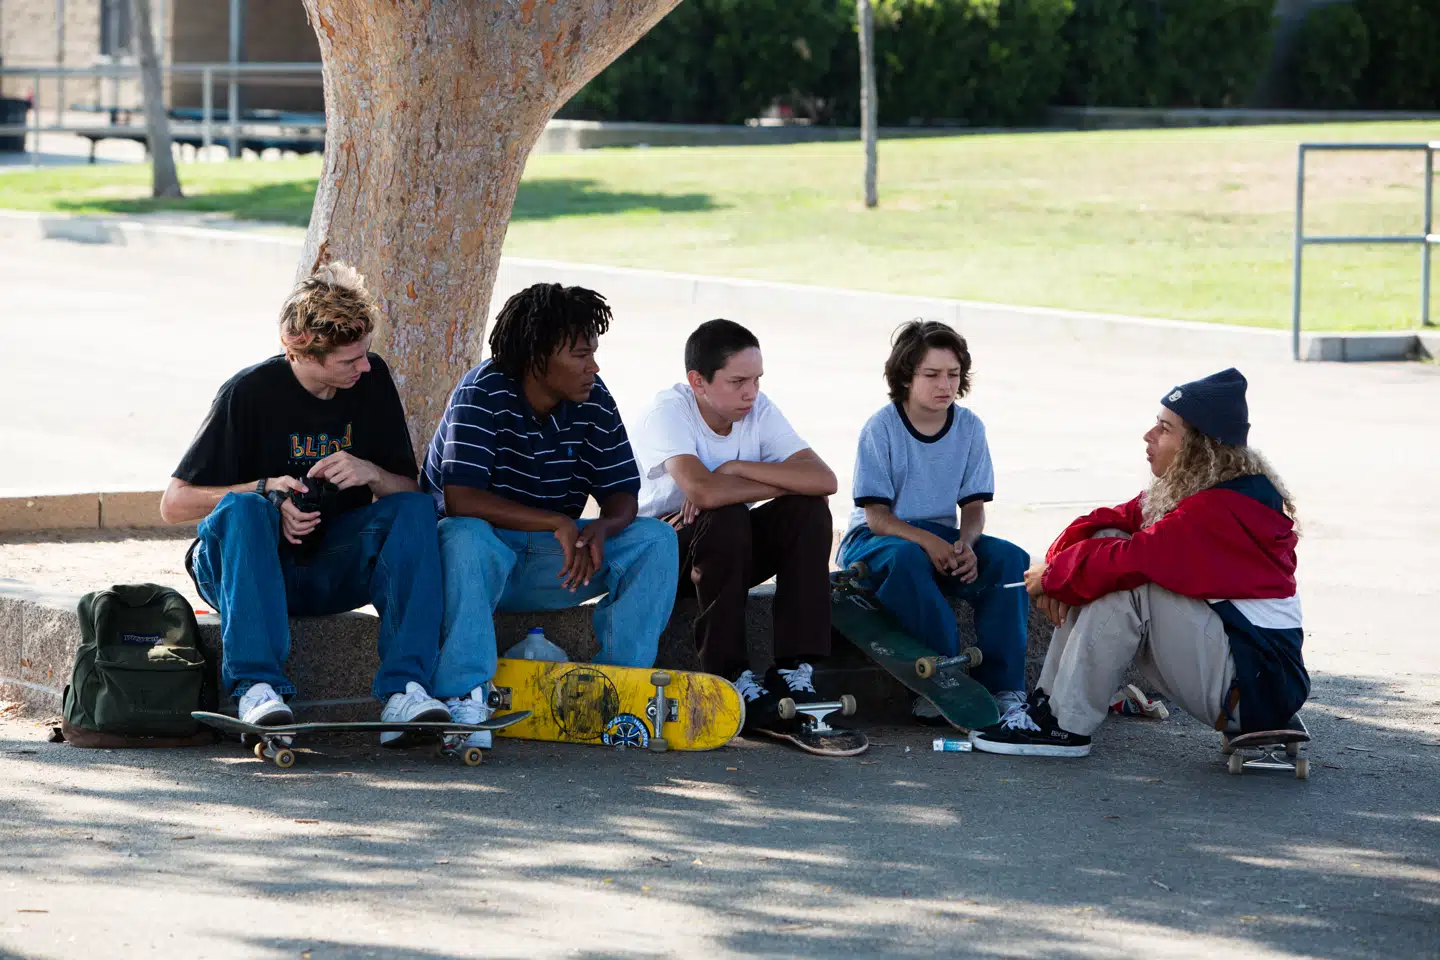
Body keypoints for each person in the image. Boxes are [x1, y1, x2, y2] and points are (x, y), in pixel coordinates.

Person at [161, 263, 451, 741]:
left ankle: (407, 692)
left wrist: (372, 473)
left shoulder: (371, 381)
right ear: (302, 351)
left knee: (416, 511)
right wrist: (266, 491)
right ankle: (257, 689)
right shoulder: (249, 392)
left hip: (328, 566)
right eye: (348, 360)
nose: (363, 367)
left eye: (365, 355)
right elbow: (174, 504)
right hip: (247, 568)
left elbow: (412, 493)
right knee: (244, 509)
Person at [970, 368, 1307, 757]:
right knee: (1106, 544)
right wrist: (1056, 566)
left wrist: (1055, 578)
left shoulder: (1221, 511)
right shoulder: (1208, 490)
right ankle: (1048, 709)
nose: (1149, 436)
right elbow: (1109, 522)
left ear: (1199, 447)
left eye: (1164, 428)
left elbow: (1133, 560)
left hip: (1253, 692)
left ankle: (1065, 728)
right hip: (1243, 676)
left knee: (1129, 581)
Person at [423, 283, 679, 748]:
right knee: (461, 533)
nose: (593, 366)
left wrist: (605, 525)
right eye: (581, 355)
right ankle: (465, 697)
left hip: (552, 561)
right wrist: (558, 523)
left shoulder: (593, 398)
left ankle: (622, 687)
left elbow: (622, 491)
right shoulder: (483, 390)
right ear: (537, 355)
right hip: (475, 566)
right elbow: (459, 498)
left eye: (594, 353)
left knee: (655, 539)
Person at [631, 319, 839, 728]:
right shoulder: (668, 412)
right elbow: (704, 493)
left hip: (728, 552)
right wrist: (764, 482)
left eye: (757, 379)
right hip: (661, 557)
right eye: (738, 381)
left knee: (809, 510)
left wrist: (736, 469)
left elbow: (823, 480)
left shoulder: (757, 409)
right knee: (724, 515)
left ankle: (794, 670)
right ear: (698, 381)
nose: (752, 392)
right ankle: (729, 675)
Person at [836, 320, 1030, 725]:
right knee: (908, 558)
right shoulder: (882, 427)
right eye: (932, 375)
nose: (945, 385)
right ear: (906, 377)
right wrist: (929, 543)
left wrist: (966, 545)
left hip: (938, 537)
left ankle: (1004, 686)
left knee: (1011, 560)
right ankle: (942, 679)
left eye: (953, 375)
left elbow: (974, 507)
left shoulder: (970, 427)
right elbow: (877, 517)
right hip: (877, 538)